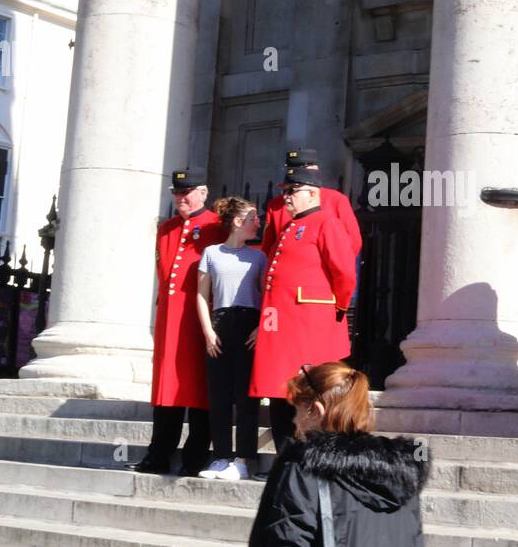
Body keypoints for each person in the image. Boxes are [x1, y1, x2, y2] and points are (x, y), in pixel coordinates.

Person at [236, 361, 429, 547]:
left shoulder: (301, 471)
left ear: (316, 411)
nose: (294, 421)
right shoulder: (403, 477)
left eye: (297, 410)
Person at [249, 165, 357, 455]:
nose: (286, 196)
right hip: (281, 322)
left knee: (307, 390)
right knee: (278, 388)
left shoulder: (326, 223)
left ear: (312, 193)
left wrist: (340, 307)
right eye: (285, 191)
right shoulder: (290, 226)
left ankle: (310, 454)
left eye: (293, 191)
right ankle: (286, 457)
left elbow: (344, 273)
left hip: (308, 320)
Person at [132, 169, 227, 475]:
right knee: (166, 388)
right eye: (176, 192)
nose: (180, 198)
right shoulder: (168, 228)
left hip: (199, 319)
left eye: (186, 192)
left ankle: (195, 455)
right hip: (170, 319)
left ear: (203, 192)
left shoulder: (216, 226)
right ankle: (159, 452)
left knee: (199, 386)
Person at [198, 196, 266, 481]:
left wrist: (260, 327)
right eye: (253, 218)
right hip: (220, 323)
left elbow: (266, 294)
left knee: (246, 396)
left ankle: (243, 458)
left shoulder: (259, 256)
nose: (258, 222)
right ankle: (221, 456)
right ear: (238, 222)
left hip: (249, 323)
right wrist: (207, 331)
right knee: (219, 395)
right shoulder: (211, 253)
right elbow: (201, 295)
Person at [261, 148, 362, 260]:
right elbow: (268, 247)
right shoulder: (275, 204)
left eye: (301, 168)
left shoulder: (337, 200)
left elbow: (353, 242)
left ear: (314, 169)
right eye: (291, 168)